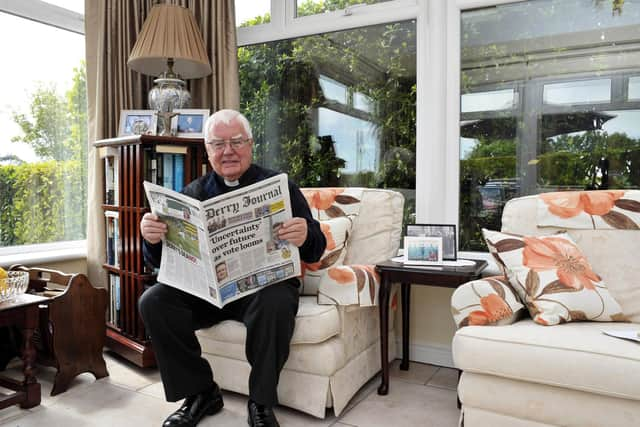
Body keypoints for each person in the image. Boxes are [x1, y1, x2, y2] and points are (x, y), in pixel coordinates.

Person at [139, 109, 326, 427]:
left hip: (261, 291)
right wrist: (151, 239)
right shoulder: (192, 194)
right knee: (153, 301)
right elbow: (158, 263)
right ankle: (201, 393)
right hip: (209, 294)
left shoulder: (279, 186)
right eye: (218, 144)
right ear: (208, 150)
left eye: (236, 141)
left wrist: (306, 233)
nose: (228, 151)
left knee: (277, 300)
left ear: (250, 144)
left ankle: (261, 402)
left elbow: (316, 248)